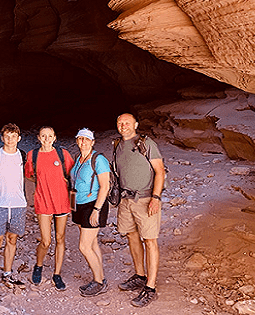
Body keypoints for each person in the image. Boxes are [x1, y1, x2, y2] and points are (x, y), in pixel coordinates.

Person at [111, 113, 165, 308]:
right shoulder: (117, 145)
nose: (123, 125)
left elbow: (160, 171)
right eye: (120, 123)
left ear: (136, 124)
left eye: (127, 122)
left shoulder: (146, 143)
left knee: (150, 241)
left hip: (145, 199)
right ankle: (140, 275)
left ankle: (150, 287)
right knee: (132, 237)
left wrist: (156, 198)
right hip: (126, 201)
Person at [24, 126, 74, 290]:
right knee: (46, 240)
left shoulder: (62, 154)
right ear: (39, 137)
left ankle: (57, 274)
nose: (47, 139)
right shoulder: (34, 155)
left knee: (60, 238)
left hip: (61, 201)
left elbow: (70, 173)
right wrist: (42, 183)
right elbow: (29, 174)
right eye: (43, 136)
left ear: (54, 138)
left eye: (50, 136)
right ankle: (38, 265)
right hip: (43, 201)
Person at [0, 124, 27, 295]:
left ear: (19, 138)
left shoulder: (22, 156)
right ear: (2, 138)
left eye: (13, 136)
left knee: (12, 240)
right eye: (7, 136)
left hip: (18, 204)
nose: (10, 139)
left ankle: (7, 274)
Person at [70, 128, 111, 297]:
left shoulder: (98, 159)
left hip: (93, 205)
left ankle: (99, 282)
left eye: (86, 139)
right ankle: (100, 277)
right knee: (92, 244)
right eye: (80, 139)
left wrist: (96, 210)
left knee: (84, 246)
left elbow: (105, 186)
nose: (83, 142)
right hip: (78, 204)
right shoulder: (78, 158)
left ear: (92, 142)